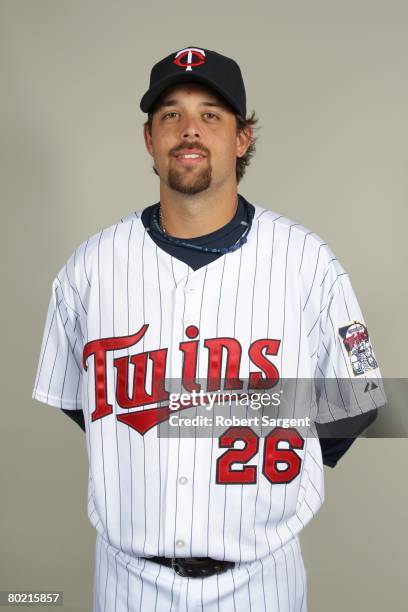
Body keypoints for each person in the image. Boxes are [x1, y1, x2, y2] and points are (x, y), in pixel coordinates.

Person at [32, 46, 386, 612]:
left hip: (261, 582)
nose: (189, 130)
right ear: (149, 138)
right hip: (128, 584)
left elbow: (360, 397)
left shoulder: (306, 261)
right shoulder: (91, 267)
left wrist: (258, 432)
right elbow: (83, 404)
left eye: (210, 115)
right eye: (170, 114)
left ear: (242, 138)